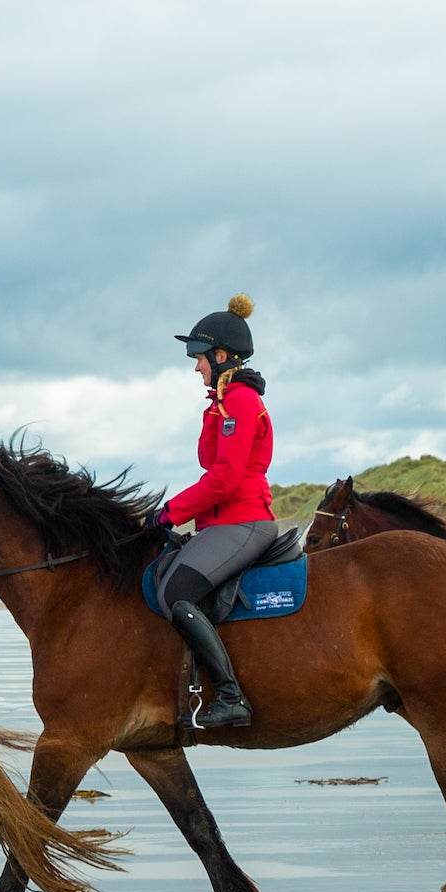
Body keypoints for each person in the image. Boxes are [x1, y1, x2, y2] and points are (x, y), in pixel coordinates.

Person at [151, 293, 276, 731]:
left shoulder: (240, 402)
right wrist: (214, 404)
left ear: (221, 356)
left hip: (244, 522)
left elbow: (223, 478)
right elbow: (209, 457)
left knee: (175, 594)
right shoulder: (225, 402)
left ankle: (230, 696)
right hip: (223, 522)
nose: (196, 367)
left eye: (200, 357)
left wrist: (170, 513)